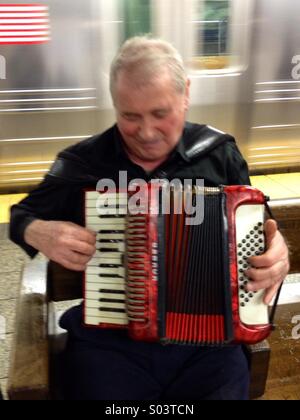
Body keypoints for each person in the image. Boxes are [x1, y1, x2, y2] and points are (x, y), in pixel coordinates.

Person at [9, 36, 289, 400]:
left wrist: (278, 254)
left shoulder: (220, 154)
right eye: (129, 116)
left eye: (160, 113)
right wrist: (38, 231)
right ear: (114, 105)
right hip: (111, 344)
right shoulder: (83, 163)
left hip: (208, 347)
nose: (146, 132)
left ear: (185, 94)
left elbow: (260, 230)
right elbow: (20, 216)